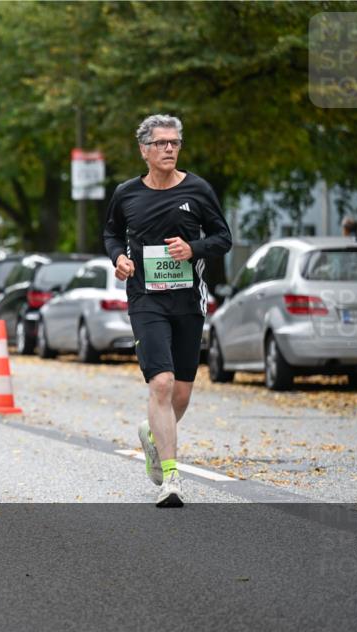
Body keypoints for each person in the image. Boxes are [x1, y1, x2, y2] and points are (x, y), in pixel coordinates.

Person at [102, 114, 232, 507]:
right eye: (160, 143)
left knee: (182, 391)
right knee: (160, 383)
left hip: (188, 299)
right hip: (146, 299)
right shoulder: (126, 193)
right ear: (144, 150)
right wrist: (118, 258)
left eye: (174, 142)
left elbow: (223, 237)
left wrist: (194, 249)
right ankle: (170, 478)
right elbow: (110, 233)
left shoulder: (198, 189)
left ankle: (152, 431)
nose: (169, 148)